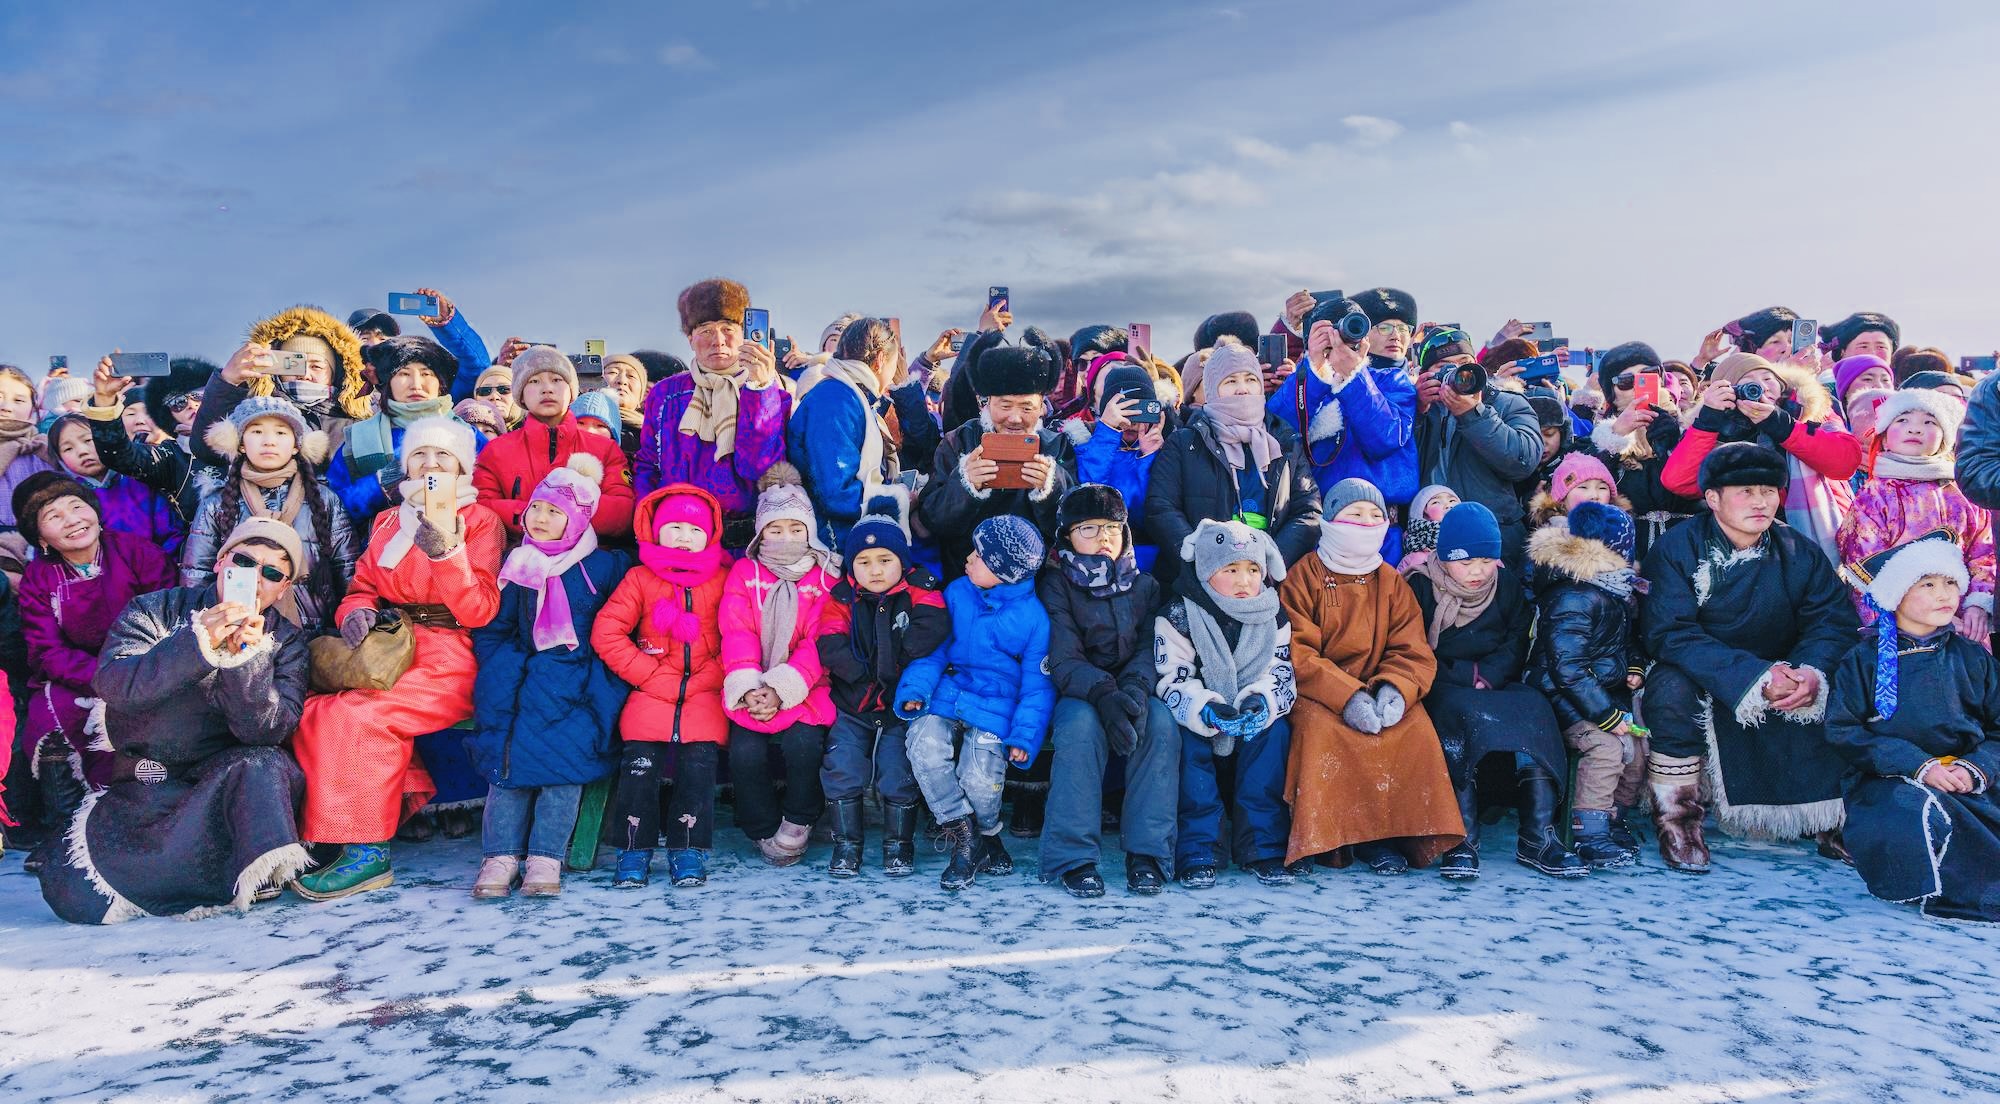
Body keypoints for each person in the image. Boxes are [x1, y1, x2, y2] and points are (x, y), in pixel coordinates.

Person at [36, 517, 312, 924]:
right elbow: (115, 684)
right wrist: (198, 644)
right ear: (220, 562)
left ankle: (249, 872)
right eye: (245, 562)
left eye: (273, 572)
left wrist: (243, 662)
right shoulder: (153, 609)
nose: (256, 578)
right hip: (152, 777)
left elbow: (266, 731)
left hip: (230, 775)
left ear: (284, 588)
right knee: (75, 895)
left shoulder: (286, 640)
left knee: (264, 766)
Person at [291, 417, 505, 900]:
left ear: (461, 468)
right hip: (390, 645)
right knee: (313, 711)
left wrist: (448, 551)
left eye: (443, 457)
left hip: (450, 654)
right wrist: (356, 613)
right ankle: (346, 825)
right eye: (420, 457)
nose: (431, 465)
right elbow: (364, 586)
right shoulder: (390, 520)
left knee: (358, 716)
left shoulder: (481, 520)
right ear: (405, 465)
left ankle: (367, 848)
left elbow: (480, 609)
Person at [1639, 443, 1862, 873]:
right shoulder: (1676, 548)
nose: (1761, 501)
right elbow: (1670, 633)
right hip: (1704, 665)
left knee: (1845, 681)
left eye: (1768, 490)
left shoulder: (1799, 550)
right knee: (1669, 691)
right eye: (1744, 491)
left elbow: (1832, 623)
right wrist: (1754, 677)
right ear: (1712, 499)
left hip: (1785, 662)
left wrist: (1809, 673)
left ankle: (1831, 818)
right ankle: (1679, 821)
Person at [1281, 479, 1464, 873]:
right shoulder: (1304, 575)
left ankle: (1399, 836)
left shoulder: (1392, 581)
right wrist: (1347, 696)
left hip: (1382, 689)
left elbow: (1412, 648)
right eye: (1354, 514)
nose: (1365, 523)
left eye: (1375, 516)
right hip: (1319, 694)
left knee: (1416, 731)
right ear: (1330, 520)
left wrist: (1394, 690)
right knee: (1321, 735)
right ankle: (1342, 839)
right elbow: (1296, 651)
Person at [468, 456, 629, 899]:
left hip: (578, 685)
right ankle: (499, 855)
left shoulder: (603, 568)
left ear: (577, 520)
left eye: (554, 512)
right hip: (522, 680)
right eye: (536, 508)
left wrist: (597, 681)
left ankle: (545, 856)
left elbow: (619, 624)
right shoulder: (518, 565)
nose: (540, 519)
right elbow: (494, 630)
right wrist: (507, 668)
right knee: (507, 768)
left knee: (564, 768)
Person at [1827, 532, 2000, 923]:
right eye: (1928, 584)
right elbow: (1843, 730)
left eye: (1951, 583)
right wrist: (1920, 765)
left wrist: (1975, 768)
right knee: (1913, 816)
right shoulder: (1863, 661)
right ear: (1897, 593)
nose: (1945, 595)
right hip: (1893, 779)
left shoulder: (1975, 658)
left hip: (1970, 778)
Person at [1413, 501, 1576, 879]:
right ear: (1444, 556)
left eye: (1486, 561)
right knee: (1456, 714)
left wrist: (1488, 673)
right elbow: (1412, 645)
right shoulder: (1420, 585)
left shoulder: (1504, 585)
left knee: (1536, 707)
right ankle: (1461, 837)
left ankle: (1537, 835)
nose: (1477, 572)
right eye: (1466, 562)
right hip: (1442, 682)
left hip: (1494, 678)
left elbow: (1518, 635)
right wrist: (1459, 675)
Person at [895, 515, 1055, 891]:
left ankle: (983, 833)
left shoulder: (1034, 620)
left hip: (997, 706)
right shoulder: (956, 593)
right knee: (924, 746)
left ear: (1005, 571)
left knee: (980, 777)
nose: (967, 559)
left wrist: (1024, 736)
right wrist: (916, 690)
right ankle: (965, 837)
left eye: (980, 556)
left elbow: (1037, 688)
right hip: (948, 694)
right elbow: (932, 651)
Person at [590, 484, 733, 889]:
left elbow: (739, 636)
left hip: (704, 695)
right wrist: (647, 674)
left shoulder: (723, 579)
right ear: (655, 531)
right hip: (649, 693)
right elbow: (608, 632)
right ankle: (633, 849)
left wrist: (711, 676)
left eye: (694, 530)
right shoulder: (640, 579)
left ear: (710, 535)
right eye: (675, 528)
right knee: (639, 770)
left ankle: (687, 848)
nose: (685, 538)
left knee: (698, 772)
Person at [1037, 484, 1174, 898]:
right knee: (1080, 730)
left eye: (1112, 527)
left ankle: (1148, 853)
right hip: (1080, 690)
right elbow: (1063, 657)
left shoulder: (1145, 584)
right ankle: (1073, 857)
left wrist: (1132, 689)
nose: (1104, 537)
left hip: (1133, 684)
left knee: (1161, 725)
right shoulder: (1056, 584)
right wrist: (1104, 695)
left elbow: (1154, 645)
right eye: (1089, 529)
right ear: (1067, 536)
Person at [14, 470, 177, 797]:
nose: (72, 520)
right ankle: (74, 812)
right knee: (51, 719)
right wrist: (104, 678)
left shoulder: (136, 552)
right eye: (54, 516)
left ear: (95, 513)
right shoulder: (38, 578)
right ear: (41, 539)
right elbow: (47, 650)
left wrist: (133, 675)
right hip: (80, 676)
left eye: (76, 507)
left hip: (146, 666)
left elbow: (168, 614)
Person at [1155, 518, 1297, 887]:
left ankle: (1262, 845)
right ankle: (1199, 846)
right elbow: (1172, 675)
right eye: (1230, 570)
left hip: (1249, 714)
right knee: (1188, 748)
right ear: (1205, 569)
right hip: (1203, 713)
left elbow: (1280, 671)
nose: (1243, 581)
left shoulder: (1273, 614)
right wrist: (1203, 707)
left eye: (1252, 570)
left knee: (1274, 736)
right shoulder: (1180, 613)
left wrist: (1262, 701)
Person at [816, 494, 948, 878]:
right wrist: (861, 674)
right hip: (853, 703)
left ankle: (898, 845)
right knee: (842, 768)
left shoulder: (920, 589)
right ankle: (847, 846)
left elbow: (931, 628)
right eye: (864, 562)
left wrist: (891, 668)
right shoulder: (841, 598)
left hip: (896, 707)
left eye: (885, 560)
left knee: (897, 772)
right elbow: (829, 641)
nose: (875, 570)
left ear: (902, 563)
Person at [720, 464, 841, 867]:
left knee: (804, 745)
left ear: (809, 530)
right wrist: (751, 685)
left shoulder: (826, 576)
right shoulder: (746, 572)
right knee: (745, 752)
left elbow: (819, 639)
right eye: (774, 529)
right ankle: (760, 824)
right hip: (752, 682)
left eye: (795, 528)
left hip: (809, 684)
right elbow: (737, 630)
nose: (785, 537)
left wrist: (783, 687)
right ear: (759, 533)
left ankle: (800, 817)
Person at [1526, 501, 1652, 871]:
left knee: (1639, 747)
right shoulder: (1575, 595)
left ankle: (1613, 817)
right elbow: (1567, 668)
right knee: (1607, 746)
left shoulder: (1611, 591)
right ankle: (1589, 829)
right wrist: (1607, 716)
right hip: (1558, 696)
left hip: (1598, 694)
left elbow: (1624, 642)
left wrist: (1634, 666)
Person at [1145, 337, 1321, 587]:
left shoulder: (1284, 441)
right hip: (1200, 580)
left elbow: (1308, 510)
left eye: (1250, 379)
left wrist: (1272, 561)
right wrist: (1203, 560)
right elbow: (1161, 507)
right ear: (1212, 387)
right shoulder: (1185, 441)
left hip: (1267, 580)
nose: (1242, 389)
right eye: (1231, 381)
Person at [634, 278, 792, 547]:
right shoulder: (665, 394)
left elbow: (760, 468)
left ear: (743, 333)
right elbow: (647, 466)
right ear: (690, 339)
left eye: (727, 328)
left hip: (745, 544)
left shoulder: (774, 393)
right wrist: (648, 529)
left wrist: (759, 389)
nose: (718, 340)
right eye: (705, 330)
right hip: (681, 541)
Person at [182, 395, 356, 637]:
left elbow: (347, 568)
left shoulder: (324, 499)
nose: (269, 442)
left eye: (281, 433)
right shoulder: (217, 503)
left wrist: (349, 619)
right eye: (256, 431)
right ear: (240, 443)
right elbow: (196, 575)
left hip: (314, 632)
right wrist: (207, 629)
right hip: (235, 629)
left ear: (297, 445)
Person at [1662, 352, 1861, 561]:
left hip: (1811, 536)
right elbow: (1679, 482)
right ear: (1729, 391)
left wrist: (1781, 425)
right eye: (1748, 383)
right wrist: (1709, 422)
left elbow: (1845, 463)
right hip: (1745, 540)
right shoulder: (1716, 425)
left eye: (1768, 379)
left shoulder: (1809, 411)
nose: (1762, 387)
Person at [1266, 292, 1420, 557]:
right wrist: (1314, 367)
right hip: (1319, 530)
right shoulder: (1308, 381)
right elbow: (1277, 431)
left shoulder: (1392, 382)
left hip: (1381, 534)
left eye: (1350, 327)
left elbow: (1385, 438)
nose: (1340, 339)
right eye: (1328, 333)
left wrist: (1354, 375)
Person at [1836, 389, 1993, 644]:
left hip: (1963, 626)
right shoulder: (1874, 496)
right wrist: (1919, 615)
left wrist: (1978, 605)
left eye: (1929, 422)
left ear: (1945, 439)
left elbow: (1984, 554)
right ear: (1884, 438)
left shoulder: (1964, 494)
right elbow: (1864, 568)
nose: (1915, 429)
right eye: (1903, 420)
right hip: (1900, 628)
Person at [918, 328, 1076, 579]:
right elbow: (931, 519)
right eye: (1005, 406)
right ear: (987, 403)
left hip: (1032, 581)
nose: (1015, 418)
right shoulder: (958, 440)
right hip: (965, 575)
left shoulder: (1056, 446)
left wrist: (1050, 486)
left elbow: (1071, 523)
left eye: (1027, 407)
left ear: (1041, 409)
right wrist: (965, 484)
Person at [788, 318, 924, 550]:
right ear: (881, 360)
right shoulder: (837, 399)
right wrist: (896, 499)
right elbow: (836, 492)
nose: (893, 375)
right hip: (833, 545)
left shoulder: (847, 394)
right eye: (894, 364)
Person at [1410, 328, 1544, 563]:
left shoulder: (1508, 402)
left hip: (1492, 538)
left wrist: (1473, 414)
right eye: (1442, 366)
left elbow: (1524, 460)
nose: (1455, 373)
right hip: (1426, 540)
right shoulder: (1413, 407)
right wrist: (1418, 410)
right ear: (1424, 374)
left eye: (1464, 363)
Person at [473, 347, 634, 540]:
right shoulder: (496, 451)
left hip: (590, 557)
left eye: (557, 380)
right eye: (534, 381)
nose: (547, 388)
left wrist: (563, 515)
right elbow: (483, 507)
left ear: (572, 391)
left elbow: (623, 510)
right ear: (521, 395)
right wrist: (534, 516)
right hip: (519, 555)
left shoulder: (605, 449)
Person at [326, 337, 470, 527]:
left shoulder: (468, 435)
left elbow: (489, 494)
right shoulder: (358, 439)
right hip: (378, 549)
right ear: (388, 382)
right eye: (403, 374)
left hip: (461, 543)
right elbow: (333, 506)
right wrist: (382, 482)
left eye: (426, 374)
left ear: (440, 383)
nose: (416, 384)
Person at [1586, 342, 1702, 560]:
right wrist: (1616, 436)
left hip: (1690, 548)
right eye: (1626, 381)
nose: (1638, 386)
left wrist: (1674, 445)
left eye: (1648, 374)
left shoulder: (1692, 430)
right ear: (1612, 394)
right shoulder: (1599, 442)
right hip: (1627, 553)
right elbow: (1582, 488)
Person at [82, 355, 215, 530]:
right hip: (205, 554)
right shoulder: (170, 457)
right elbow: (120, 455)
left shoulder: (249, 436)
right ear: (167, 414)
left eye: (198, 396)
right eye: (177, 402)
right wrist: (104, 400)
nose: (191, 404)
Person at [1067, 362, 1169, 571]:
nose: (1131, 422)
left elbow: (1151, 512)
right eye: (1125, 410)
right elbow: (1090, 496)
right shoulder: (1085, 445)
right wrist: (1107, 432)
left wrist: (1148, 457)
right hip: (1096, 557)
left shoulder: (1164, 451)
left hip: (1146, 559)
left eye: (1140, 410)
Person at [46, 414, 179, 550]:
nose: (82, 451)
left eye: (88, 440)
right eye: (68, 448)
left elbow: (172, 533)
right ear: (59, 458)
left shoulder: (142, 478)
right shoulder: (66, 498)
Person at [0, 364, 53, 534]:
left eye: (19, 400)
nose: (6, 407)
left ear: (32, 408)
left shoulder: (46, 450)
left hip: (39, 547)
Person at [1394, 484, 1458, 573]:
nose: (1448, 505)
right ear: (1423, 513)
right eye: (1436, 502)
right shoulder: (1417, 558)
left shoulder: (1473, 539)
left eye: (1452, 500)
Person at [599, 354, 651, 453]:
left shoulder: (656, 433)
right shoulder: (580, 424)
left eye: (631, 376)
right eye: (612, 372)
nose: (622, 381)